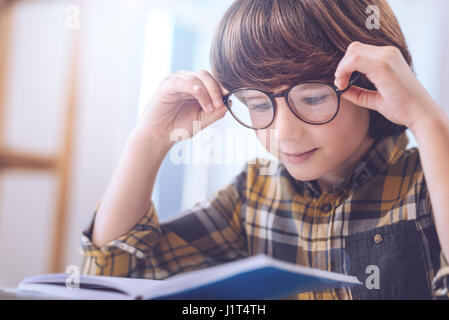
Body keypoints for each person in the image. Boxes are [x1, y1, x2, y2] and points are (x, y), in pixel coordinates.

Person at [79, 0, 449, 299]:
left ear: (372, 83)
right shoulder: (254, 193)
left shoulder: (428, 183)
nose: (283, 132)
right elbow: (114, 274)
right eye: (257, 105)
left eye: (314, 97)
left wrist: (427, 121)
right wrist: (148, 140)